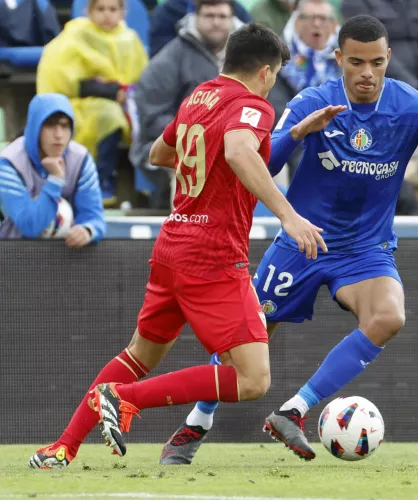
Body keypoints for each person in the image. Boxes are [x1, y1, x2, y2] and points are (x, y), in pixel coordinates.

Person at [162, 14, 418, 465]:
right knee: (244, 342)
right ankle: (194, 425)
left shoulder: (416, 109)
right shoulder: (312, 100)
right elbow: (264, 159)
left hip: (365, 248)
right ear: (339, 58)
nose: (368, 72)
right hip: (302, 241)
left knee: (388, 316)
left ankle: (294, 411)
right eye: (358, 62)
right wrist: (300, 131)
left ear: (389, 58)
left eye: (378, 62)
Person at [27, 22, 328, 470]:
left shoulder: (200, 95)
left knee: (137, 355)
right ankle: (124, 399)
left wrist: (290, 136)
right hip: (212, 255)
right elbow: (239, 152)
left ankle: (62, 447)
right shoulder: (253, 106)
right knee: (253, 378)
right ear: (266, 72)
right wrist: (290, 217)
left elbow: (158, 154)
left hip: (173, 246)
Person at [36, 0, 148, 206]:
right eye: (100, 9)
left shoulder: (130, 38)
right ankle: (101, 178)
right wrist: (112, 91)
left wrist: (128, 93)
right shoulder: (75, 35)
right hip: (81, 101)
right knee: (109, 116)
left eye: (113, 9)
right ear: (89, 11)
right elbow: (66, 79)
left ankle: (145, 189)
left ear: (122, 12)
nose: (107, 15)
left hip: (125, 101)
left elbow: (144, 76)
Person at [132, 0, 240, 208]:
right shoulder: (170, 58)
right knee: (191, 165)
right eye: (209, 16)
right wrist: (197, 138)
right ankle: (185, 233)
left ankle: (262, 238)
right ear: (195, 18)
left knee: (272, 162)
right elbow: (153, 114)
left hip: (235, 142)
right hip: (178, 144)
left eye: (222, 16)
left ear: (232, 20)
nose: (216, 22)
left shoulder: (247, 56)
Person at [0, 94, 106, 244]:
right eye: (50, 125)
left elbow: (94, 217)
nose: (58, 135)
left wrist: (87, 230)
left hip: (67, 257)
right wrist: (55, 179)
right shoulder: (9, 163)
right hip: (12, 256)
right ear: (35, 127)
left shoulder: (81, 159)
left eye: (64, 126)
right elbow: (30, 226)